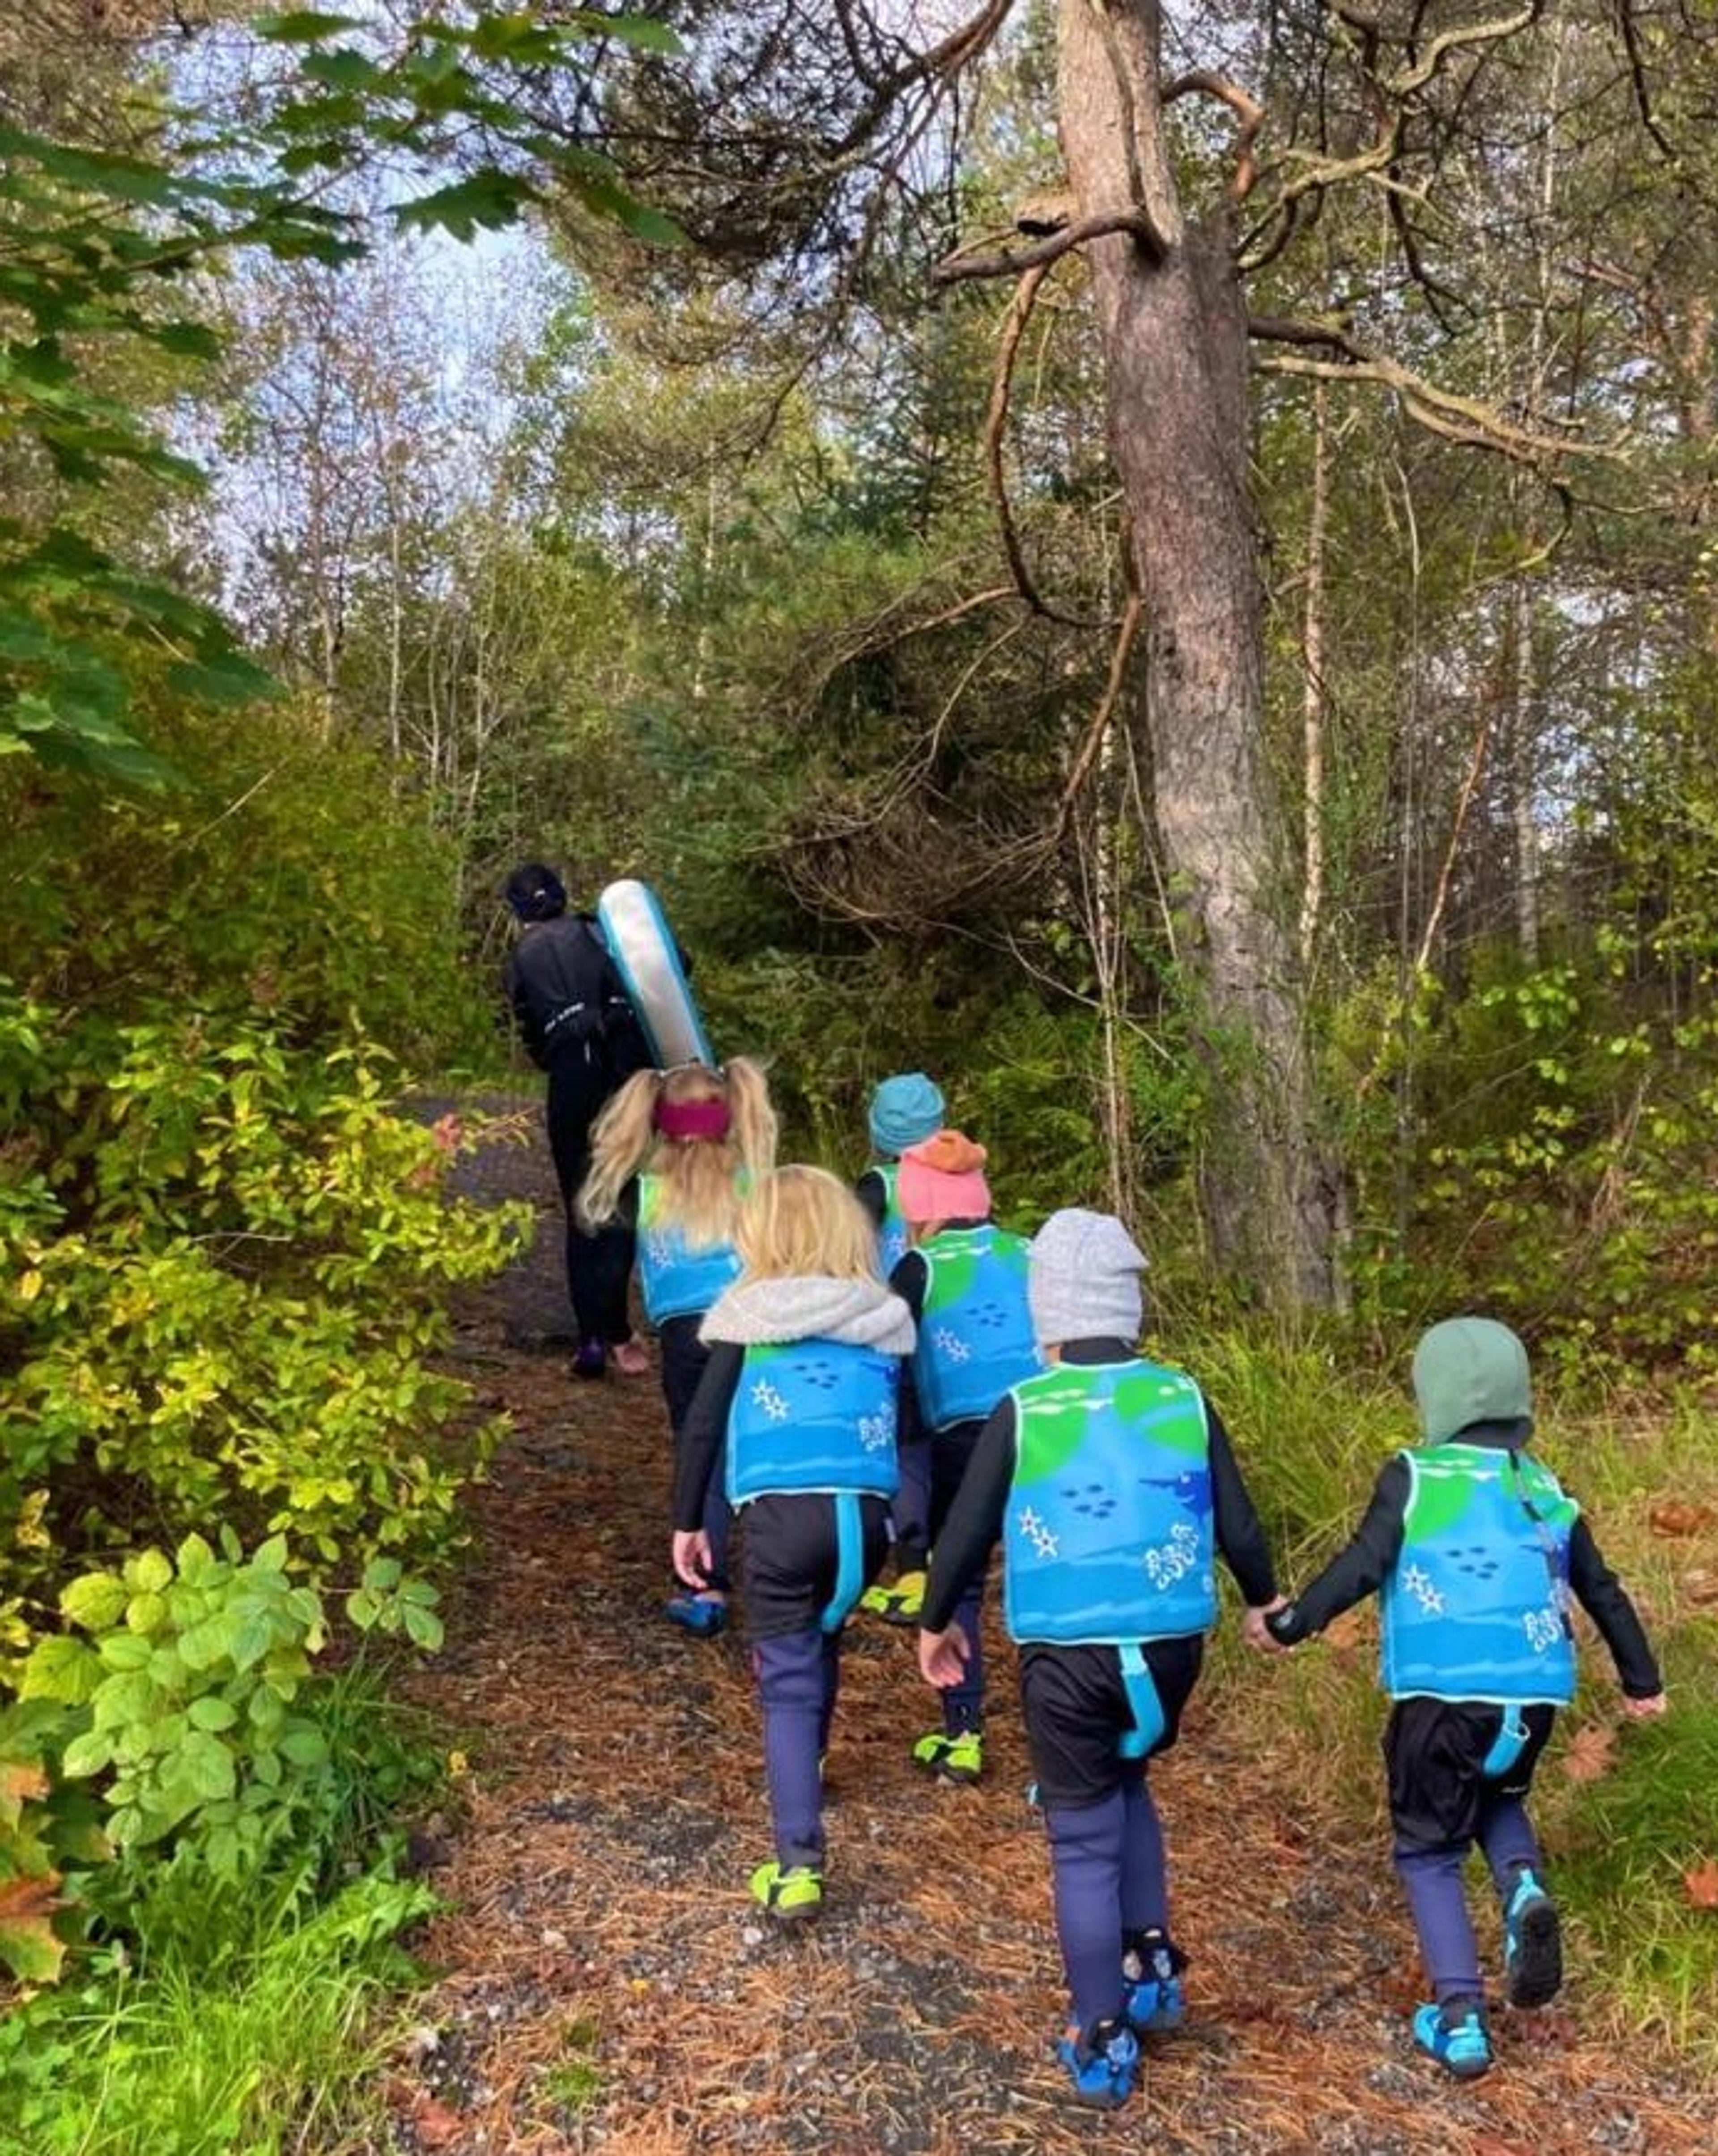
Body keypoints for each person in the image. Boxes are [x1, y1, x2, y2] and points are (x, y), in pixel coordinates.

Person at [917, 1208, 1283, 2110]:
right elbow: (1236, 1520)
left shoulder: (1025, 1407)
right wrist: (1268, 1600)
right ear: (1130, 1309)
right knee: (1132, 1786)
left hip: (1066, 1659)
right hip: (1170, 1653)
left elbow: (965, 1529)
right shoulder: (1182, 1396)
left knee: (1081, 1839)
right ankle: (1151, 1959)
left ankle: (1101, 2027)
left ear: (1047, 1314)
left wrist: (936, 1621)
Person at [1260, 1315, 1666, 2082]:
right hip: (1534, 1700)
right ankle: (1522, 1886)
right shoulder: (1546, 1487)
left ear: (1436, 1396)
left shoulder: (1415, 1474)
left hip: (1441, 1701)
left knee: (1429, 1848)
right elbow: (1602, 1590)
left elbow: (1363, 1563)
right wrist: (1643, 1680)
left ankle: (1460, 2017)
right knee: (1499, 1797)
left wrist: (1292, 1623)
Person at [672, 1165, 915, 1922]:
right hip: (867, 1520)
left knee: (785, 1679)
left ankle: (798, 1861)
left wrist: (688, 1521)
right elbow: (907, 1426)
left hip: (780, 1519)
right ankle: (806, 1760)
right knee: (826, 1635)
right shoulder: (882, 1318)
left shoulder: (749, 1318)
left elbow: (704, 1425)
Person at [579, 1058, 778, 1637]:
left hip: (685, 1336)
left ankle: (706, 1586)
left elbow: (611, 1270)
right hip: (753, 1327)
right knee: (753, 1445)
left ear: (658, 1125)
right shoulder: (755, 1182)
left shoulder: (646, 1190)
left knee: (701, 1448)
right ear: (732, 1117)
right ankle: (779, 1574)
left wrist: (614, 1331)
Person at [886, 1129, 1042, 1785]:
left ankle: (964, 1731)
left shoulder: (919, 1268)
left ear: (917, 1205)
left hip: (962, 1437)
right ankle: (1057, 1748)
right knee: (1038, 1578)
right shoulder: (1029, 1251)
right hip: (1041, 1426)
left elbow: (892, 1354)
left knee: (963, 1578)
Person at [502, 863, 654, 1380]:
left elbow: (529, 1029)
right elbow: (669, 968)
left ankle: (592, 1338)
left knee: (581, 1204)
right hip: (621, 1074)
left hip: (571, 1077)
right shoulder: (597, 930)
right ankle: (618, 1330)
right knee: (621, 1196)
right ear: (562, 896)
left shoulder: (521, 957)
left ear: (518, 911)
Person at [853, 1072, 944, 1627]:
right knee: (935, 1444)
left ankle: (911, 1562)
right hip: (949, 1330)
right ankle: (941, 1553)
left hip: (894, 1331)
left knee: (904, 1446)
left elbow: (846, 1245)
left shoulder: (876, 1187)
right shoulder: (959, 1185)